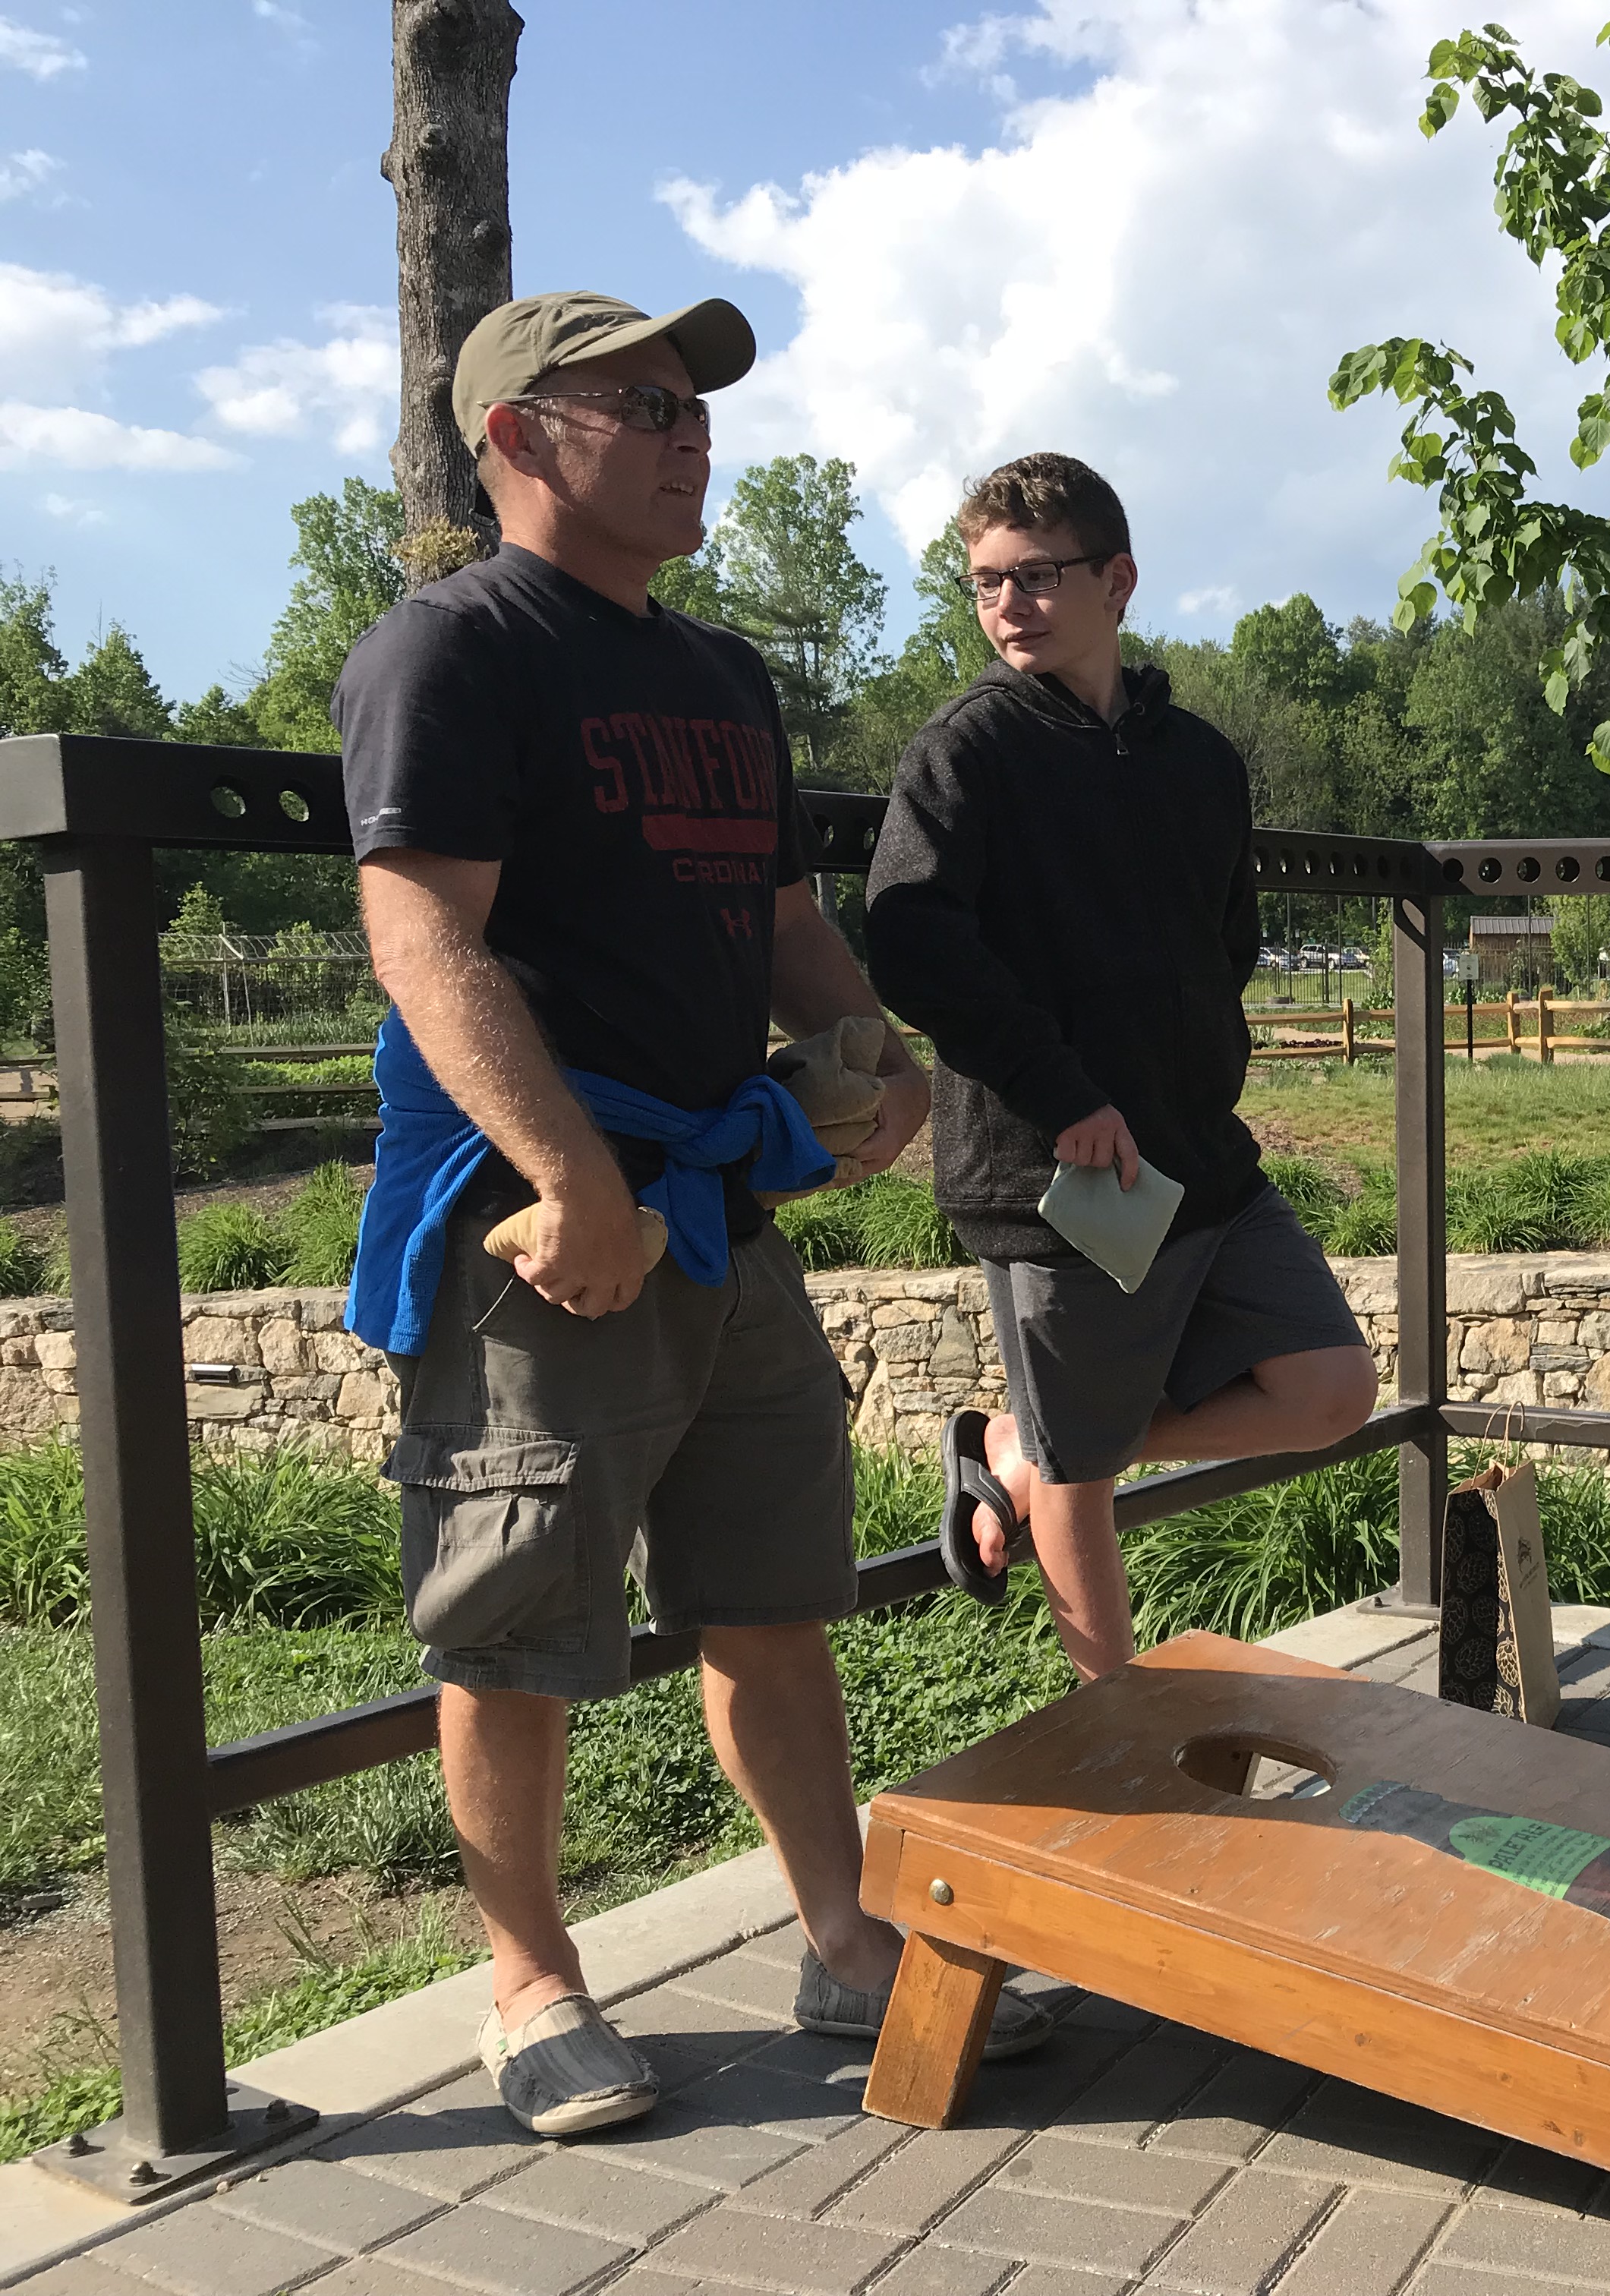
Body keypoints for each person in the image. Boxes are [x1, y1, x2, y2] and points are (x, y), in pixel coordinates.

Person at [335, 291, 1048, 2138]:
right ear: (514, 438)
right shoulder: (451, 651)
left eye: (697, 407)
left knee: (773, 1601)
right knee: (512, 1622)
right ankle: (529, 1987)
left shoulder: (725, 675)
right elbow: (422, 938)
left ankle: (843, 1942)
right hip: (542, 1226)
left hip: (722, 1211)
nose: (691, 434)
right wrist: (571, 1177)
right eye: (643, 405)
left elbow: (785, 920)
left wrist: (872, 1055)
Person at [865, 454, 1378, 1680]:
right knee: (1083, 1480)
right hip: (1063, 1174)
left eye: (1038, 576)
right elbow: (910, 944)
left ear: (1119, 581)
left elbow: (1227, 945)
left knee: (1333, 1389)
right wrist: (1066, 1095)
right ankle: (1121, 1725)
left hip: (1200, 1159)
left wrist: (1190, 1074)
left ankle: (1020, 1446)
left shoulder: (1201, 761)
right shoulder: (966, 752)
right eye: (985, 582)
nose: (1008, 604)